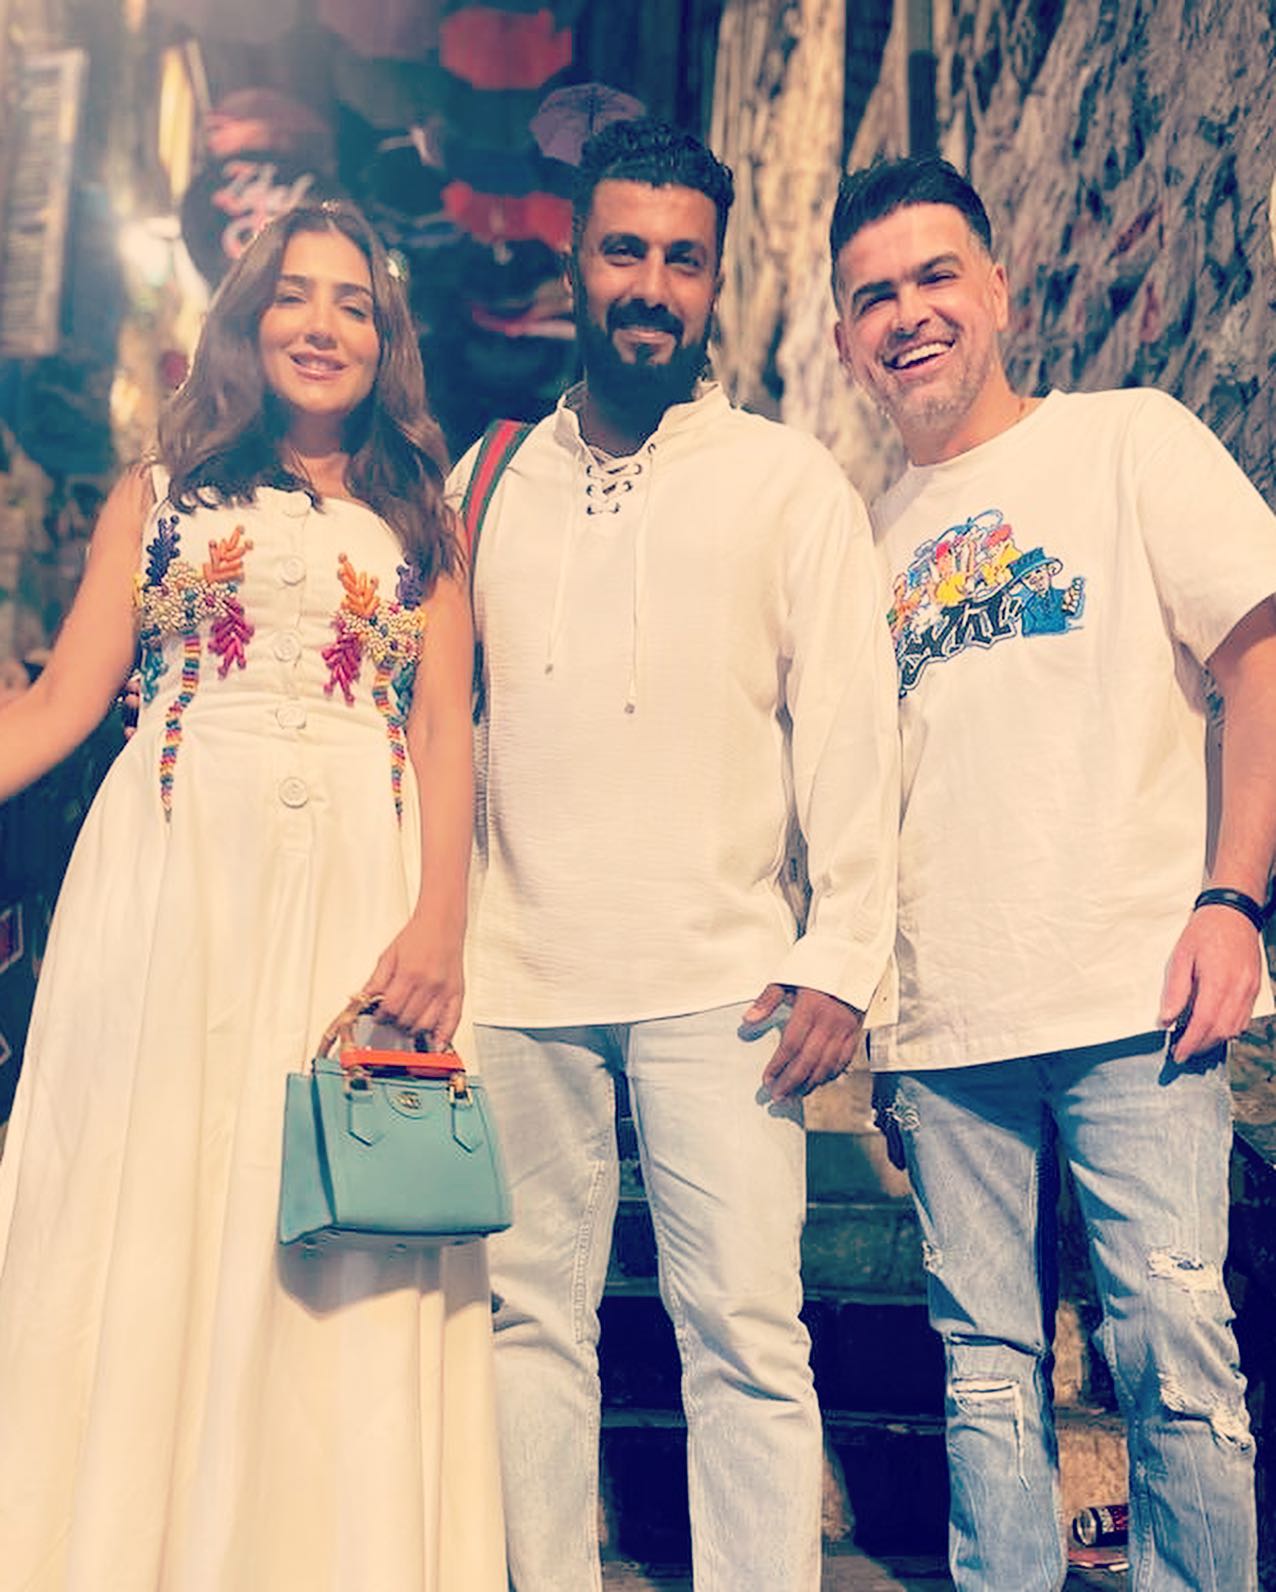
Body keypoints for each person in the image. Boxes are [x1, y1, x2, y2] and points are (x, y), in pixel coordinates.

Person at [0, 200, 505, 1589]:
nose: (321, 324)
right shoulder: (158, 495)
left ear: (386, 339)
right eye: (294, 294)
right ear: (247, 320)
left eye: (353, 302)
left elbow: (444, 732)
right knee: (154, 1196)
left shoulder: (424, 520)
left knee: (329, 1224)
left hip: (356, 891)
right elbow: (58, 704)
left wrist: (440, 925)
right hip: (173, 883)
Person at [449, 117, 899, 1592]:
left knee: (748, 1338)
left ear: (717, 281)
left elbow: (851, 726)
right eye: (624, 251)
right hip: (518, 972)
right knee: (524, 1327)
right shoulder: (483, 484)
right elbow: (439, 732)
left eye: (683, 261)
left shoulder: (788, 482)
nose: (651, 285)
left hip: (727, 983)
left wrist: (844, 953)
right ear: (575, 263)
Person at [830, 154, 1276, 1592]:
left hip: (1138, 994)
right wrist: (881, 1017)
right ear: (844, 341)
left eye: (935, 276)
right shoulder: (864, 546)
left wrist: (1234, 899)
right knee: (983, 1373)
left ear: (1000, 290)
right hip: (947, 1024)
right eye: (874, 296)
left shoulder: (1129, 439)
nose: (909, 314)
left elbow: (1259, 655)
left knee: (1177, 1356)